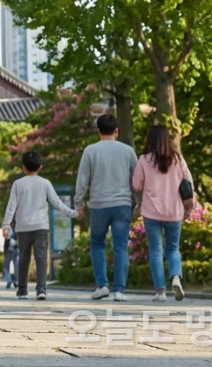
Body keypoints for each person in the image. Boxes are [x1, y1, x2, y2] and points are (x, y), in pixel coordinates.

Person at [75, 113, 138, 302]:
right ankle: (119, 290)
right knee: (121, 247)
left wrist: (79, 204)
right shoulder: (128, 151)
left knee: (97, 244)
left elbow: (82, 180)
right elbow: (136, 181)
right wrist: (140, 202)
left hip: (98, 205)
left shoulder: (90, 151)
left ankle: (102, 285)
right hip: (122, 204)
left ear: (99, 131)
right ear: (116, 131)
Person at [3, 150, 78, 300]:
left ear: (23, 167)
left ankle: (22, 290)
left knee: (23, 258)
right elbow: (57, 203)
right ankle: (41, 290)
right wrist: (73, 213)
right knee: (41, 258)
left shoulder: (18, 184)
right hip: (41, 227)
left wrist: (6, 225)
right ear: (40, 167)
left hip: (23, 227)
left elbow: (11, 206)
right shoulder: (45, 183)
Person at [132, 125, 194, 302]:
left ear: (150, 140)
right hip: (174, 212)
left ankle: (160, 291)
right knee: (173, 248)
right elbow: (188, 184)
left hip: (151, 212)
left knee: (155, 251)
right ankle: (176, 277)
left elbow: (136, 185)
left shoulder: (144, 160)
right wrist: (189, 207)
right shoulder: (178, 159)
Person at [2, 225, 19, 290]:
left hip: (10, 249)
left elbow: (6, 237)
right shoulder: (19, 227)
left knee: (6, 266)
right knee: (16, 266)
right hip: (16, 248)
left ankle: (10, 280)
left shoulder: (8, 227)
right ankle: (15, 281)